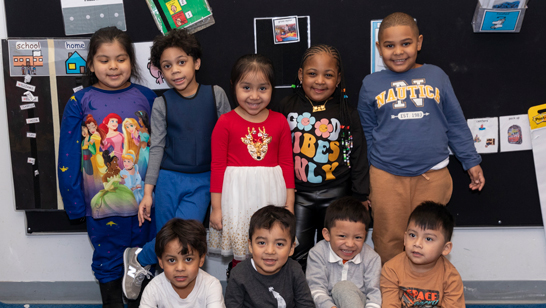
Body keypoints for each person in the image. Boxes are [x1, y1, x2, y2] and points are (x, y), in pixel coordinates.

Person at [358, 12, 485, 264]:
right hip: (386, 176)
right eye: (389, 45)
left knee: (429, 237)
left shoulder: (437, 76)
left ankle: (428, 295)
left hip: (432, 175)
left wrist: (471, 161)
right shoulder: (370, 84)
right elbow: (366, 134)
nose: (398, 52)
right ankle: (391, 294)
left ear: (419, 42)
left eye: (405, 43)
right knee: (388, 238)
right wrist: (368, 180)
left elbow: (455, 122)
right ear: (378, 47)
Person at [122, 28, 231, 299]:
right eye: (167, 66)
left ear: (196, 62)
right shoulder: (162, 103)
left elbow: (229, 142)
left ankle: (138, 257)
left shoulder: (215, 95)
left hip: (202, 181)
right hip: (169, 179)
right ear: (161, 71)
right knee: (164, 239)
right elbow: (156, 147)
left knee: (182, 241)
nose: (175, 71)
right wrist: (148, 192)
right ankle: (164, 299)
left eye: (181, 62)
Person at [58, 26, 157, 307]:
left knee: (145, 257)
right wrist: (75, 203)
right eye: (104, 60)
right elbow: (67, 157)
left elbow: (160, 147)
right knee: (108, 260)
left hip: (144, 203)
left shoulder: (148, 98)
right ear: (91, 63)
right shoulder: (79, 101)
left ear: (131, 62)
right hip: (101, 205)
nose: (113, 66)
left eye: (121, 59)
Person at [273, 44, 369, 271]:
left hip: (337, 195)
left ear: (338, 79)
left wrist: (361, 195)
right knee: (297, 249)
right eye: (312, 74)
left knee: (333, 252)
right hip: (298, 196)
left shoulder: (347, 112)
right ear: (300, 75)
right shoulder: (285, 107)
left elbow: (358, 154)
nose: (319, 81)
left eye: (328, 75)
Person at [207, 54, 295, 272]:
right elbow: (217, 166)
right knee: (243, 247)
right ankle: (240, 282)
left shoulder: (280, 121)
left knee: (269, 243)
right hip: (236, 197)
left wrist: (290, 203)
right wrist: (216, 209)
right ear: (233, 86)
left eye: (262, 88)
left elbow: (286, 164)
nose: (254, 96)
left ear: (272, 88)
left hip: (271, 195)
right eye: (246, 87)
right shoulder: (225, 122)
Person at [225, 206, 314, 308]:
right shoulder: (239, 274)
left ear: (291, 248)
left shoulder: (294, 270)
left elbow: (306, 305)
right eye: (262, 243)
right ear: (250, 245)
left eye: (279, 244)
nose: (270, 251)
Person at [381, 201, 465, 307]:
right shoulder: (391, 269)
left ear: (445, 248)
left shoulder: (451, 278)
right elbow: (390, 305)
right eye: (412, 235)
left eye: (428, 239)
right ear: (405, 238)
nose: (417, 243)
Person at [306, 196, 381, 308]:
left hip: (359, 304)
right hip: (326, 305)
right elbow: (316, 289)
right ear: (327, 234)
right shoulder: (317, 253)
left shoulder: (372, 258)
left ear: (365, 236)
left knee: (343, 288)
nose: (350, 244)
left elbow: (374, 295)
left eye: (358, 237)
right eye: (342, 236)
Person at [140, 218, 225, 308]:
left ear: (201, 259)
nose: (180, 268)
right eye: (171, 260)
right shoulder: (153, 288)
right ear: (161, 262)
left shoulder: (211, 286)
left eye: (188, 259)